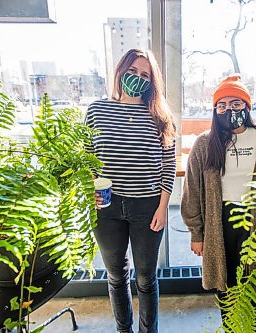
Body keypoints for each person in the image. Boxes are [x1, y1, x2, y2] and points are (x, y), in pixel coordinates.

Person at [181, 74, 256, 332]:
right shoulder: (205, 143)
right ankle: (231, 328)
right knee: (227, 284)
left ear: (246, 107)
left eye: (235, 103)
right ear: (215, 110)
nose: (229, 110)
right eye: (222, 105)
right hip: (220, 222)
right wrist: (197, 233)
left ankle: (252, 328)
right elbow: (191, 190)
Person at [85, 48, 176, 333]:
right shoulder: (97, 110)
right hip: (107, 208)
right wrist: (90, 190)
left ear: (153, 81)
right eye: (133, 71)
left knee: (146, 278)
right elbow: (86, 157)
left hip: (147, 208)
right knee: (116, 275)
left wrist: (162, 207)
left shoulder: (160, 117)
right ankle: (123, 329)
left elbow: (168, 164)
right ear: (120, 72)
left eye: (145, 74)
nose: (138, 78)